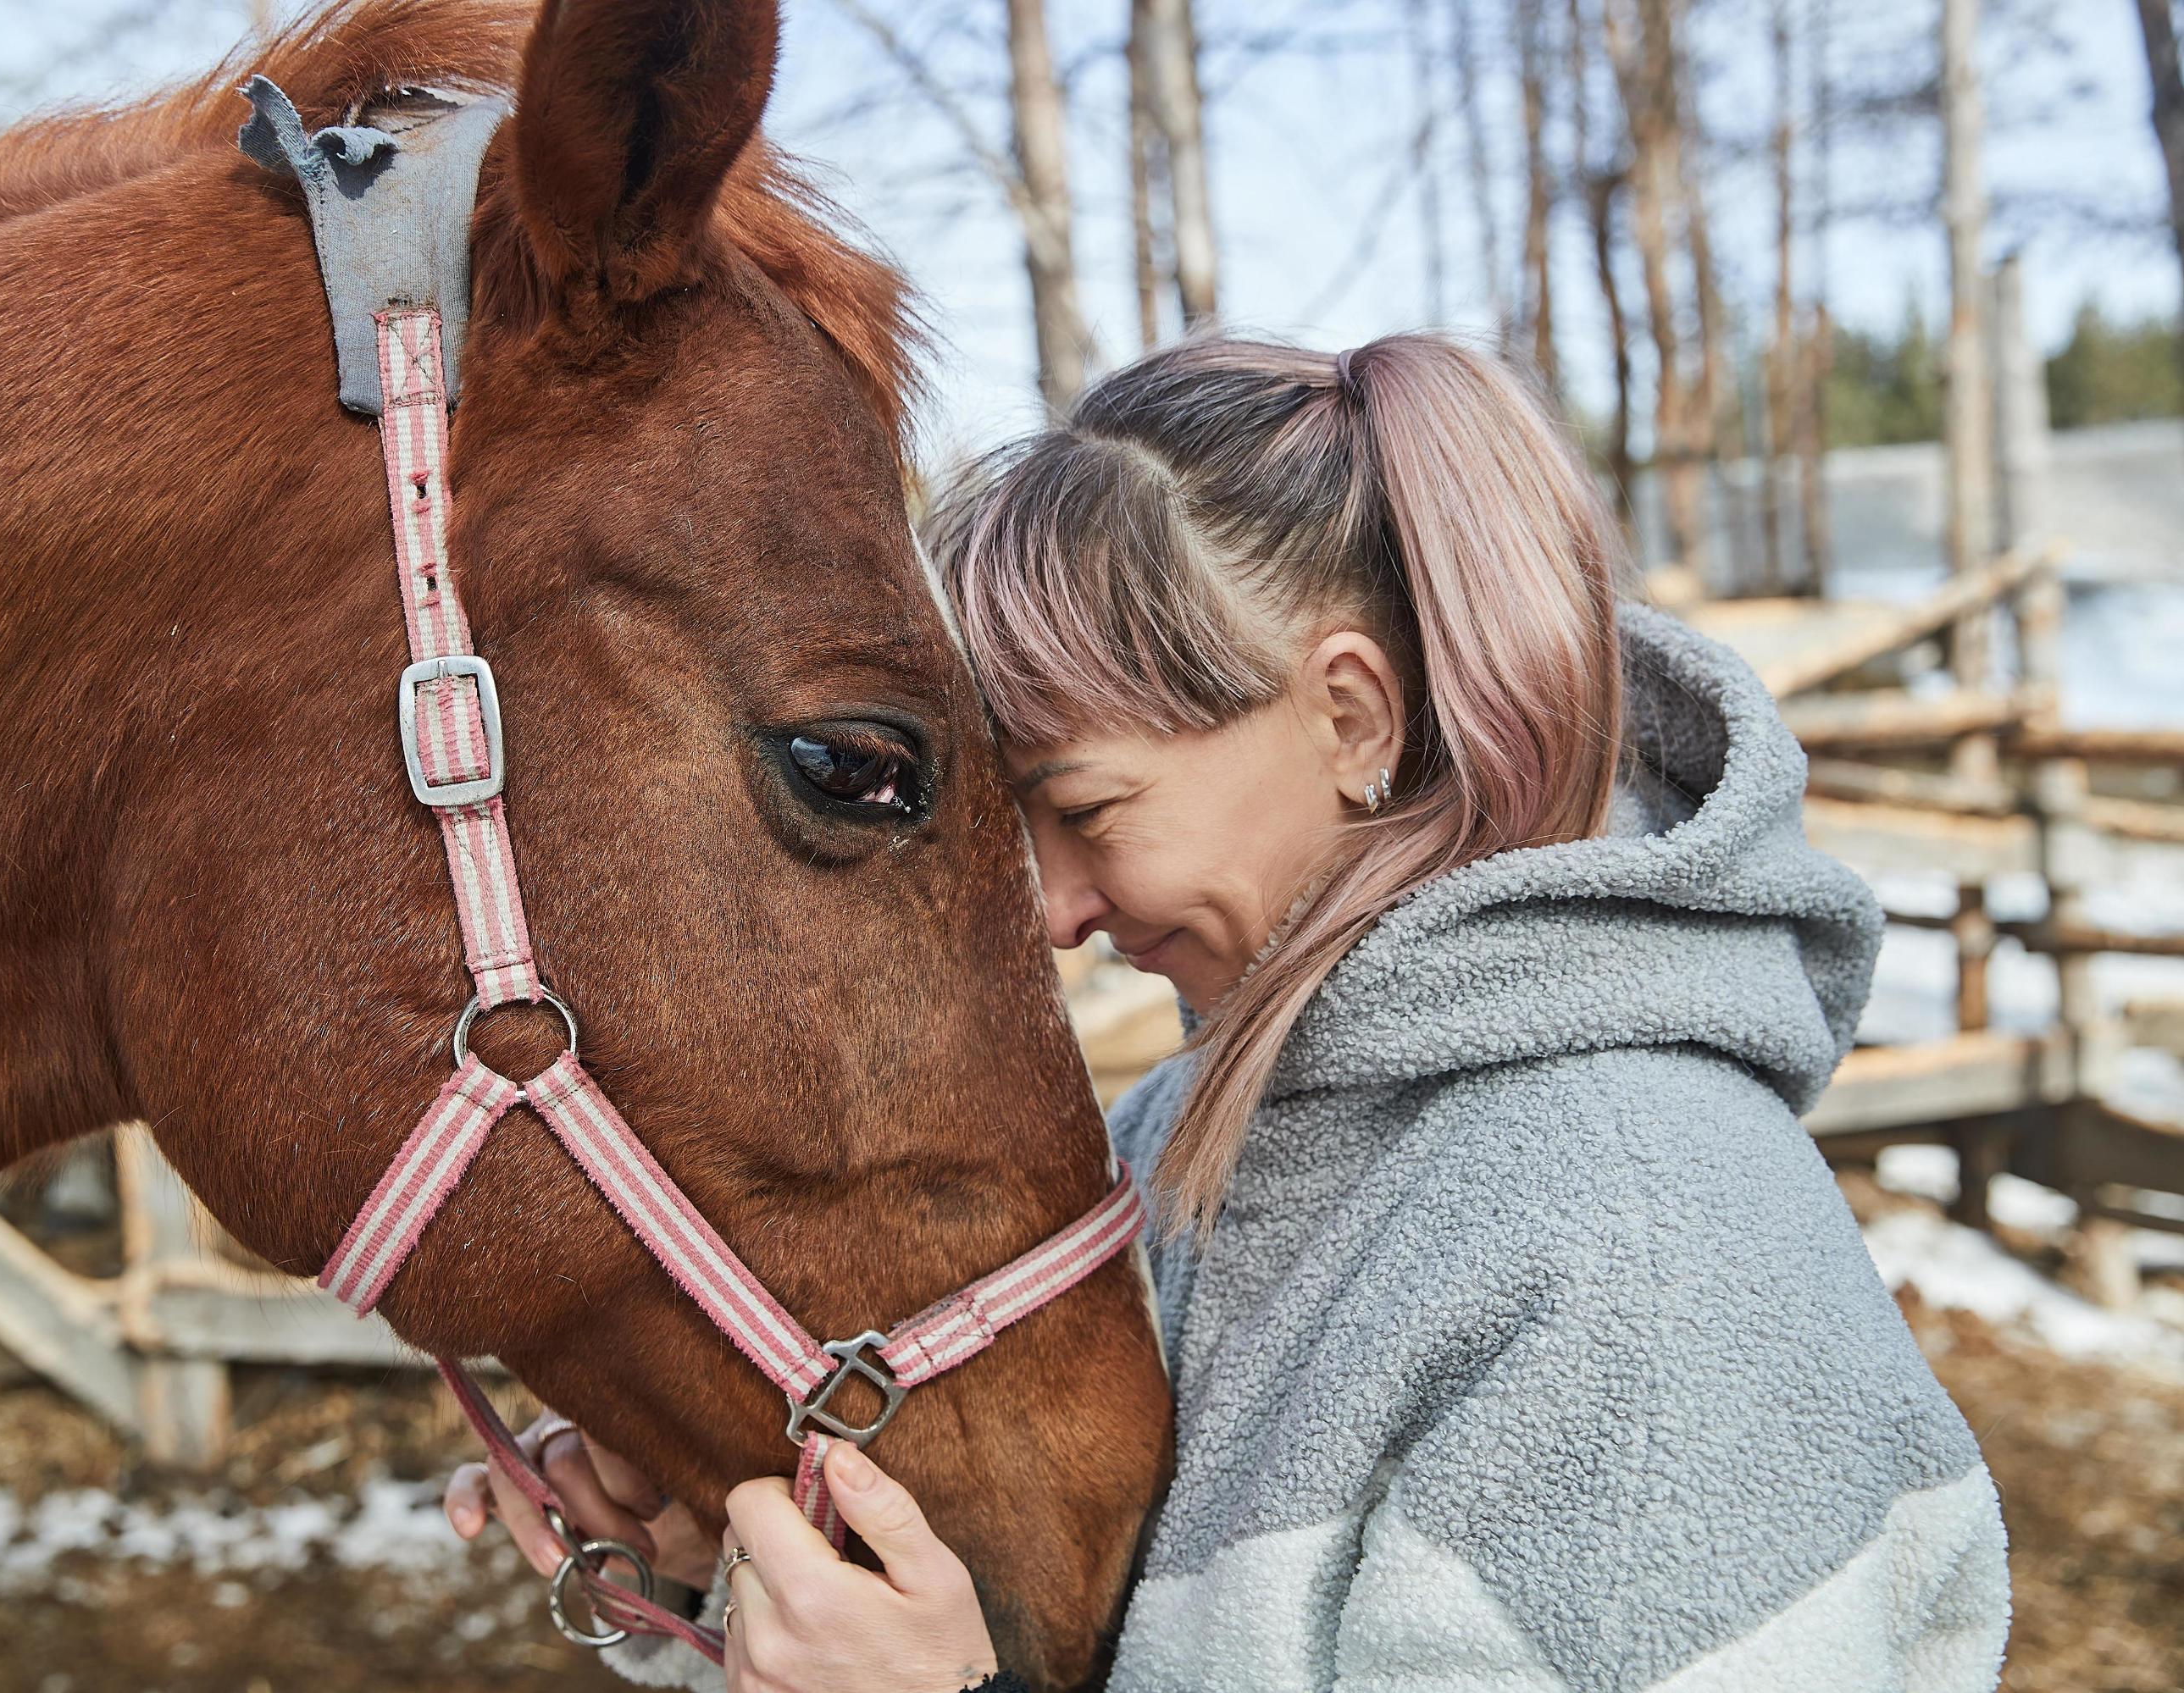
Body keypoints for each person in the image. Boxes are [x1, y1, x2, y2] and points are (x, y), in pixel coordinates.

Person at [444, 332, 2011, 1693]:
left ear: (1351, 717)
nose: (1052, 912)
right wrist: (728, 1573)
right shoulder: (1184, 1148)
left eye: (1088, 807)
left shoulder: (1650, 1259)